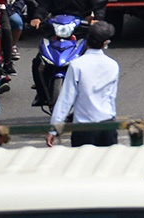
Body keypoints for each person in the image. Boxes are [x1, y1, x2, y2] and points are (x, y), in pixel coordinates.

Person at [47, 20, 120, 148]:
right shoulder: (113, 65)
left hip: (83, 128)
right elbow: (111, 97)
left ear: (87, 40)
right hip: (107, 125)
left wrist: (54, 129)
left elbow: (66, 99)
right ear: (105, 43)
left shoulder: (77, 65)